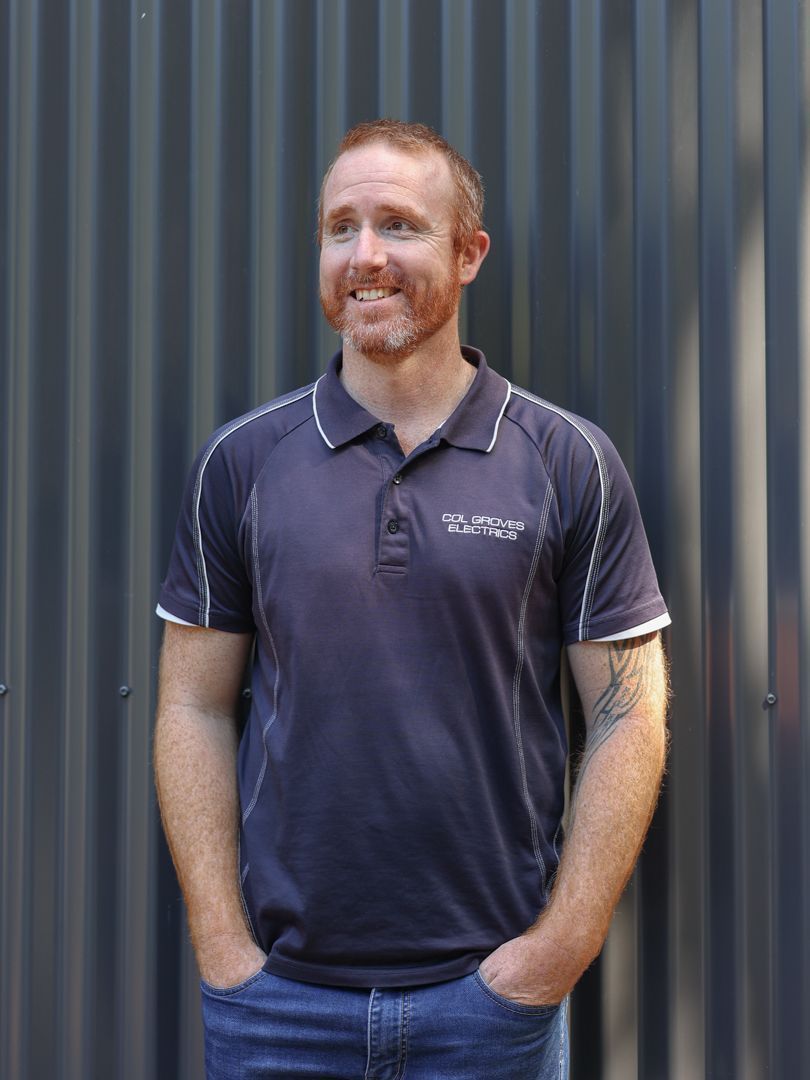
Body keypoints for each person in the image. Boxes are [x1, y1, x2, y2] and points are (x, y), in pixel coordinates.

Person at [154, 119, 670, 1080]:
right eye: (340, 227)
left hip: (489, 1007)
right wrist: (225, 953)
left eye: (400, 225)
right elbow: (190, 704)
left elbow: (629, 711)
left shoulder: (566, 460)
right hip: (277, 1012)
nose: (366, 256)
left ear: (470, 253)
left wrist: (556, 953)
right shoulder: (242, 462)